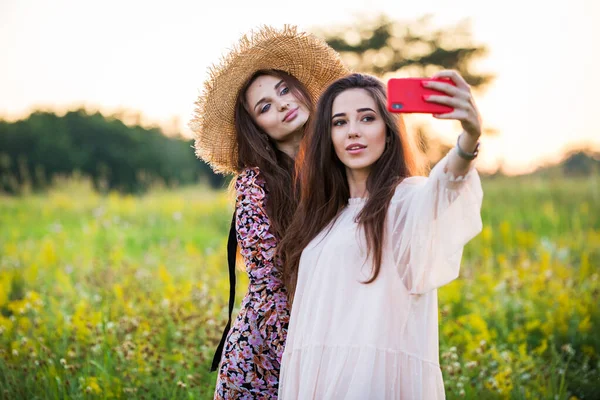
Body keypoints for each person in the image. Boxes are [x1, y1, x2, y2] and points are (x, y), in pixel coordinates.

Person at [278, 72, 484, 399]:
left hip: (375, 382)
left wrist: (469, 139)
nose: (354, 131)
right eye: (339, 122)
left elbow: (443, 186)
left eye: (367, 118)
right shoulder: (324, 216)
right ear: (327, 136)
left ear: (389, 132)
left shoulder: (406, 200)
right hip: (321, 379)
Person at [190, 25, 348, 399]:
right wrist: (312, 364)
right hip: (268, 355)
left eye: (284, 89)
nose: (281, 104)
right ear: (256, 127)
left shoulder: (344, 165)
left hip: (334, 332)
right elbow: (270, 293)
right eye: (264, 107)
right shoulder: (256, 186)